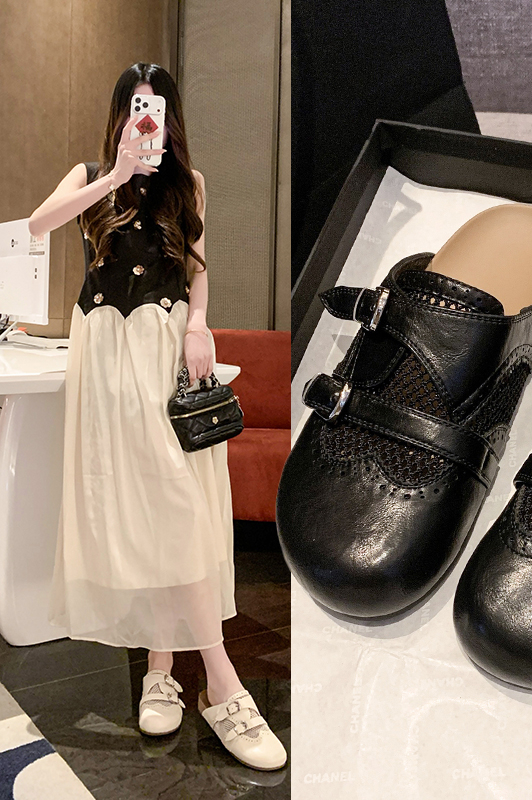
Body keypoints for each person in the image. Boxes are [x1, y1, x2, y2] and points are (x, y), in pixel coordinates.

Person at [28, 63, 286, 772]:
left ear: (173, 118)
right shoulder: (90, 176)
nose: (150, 122)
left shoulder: (189, 183)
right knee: (143, 507)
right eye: (139, 109)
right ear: (121, 115)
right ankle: (164, 670)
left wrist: (200, 325)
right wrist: (114, 175)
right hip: (108, 351)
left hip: (167, 348)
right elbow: (37, 226)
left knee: (177, 505)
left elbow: (197, 264)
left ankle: (213, 683)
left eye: (161, 110)